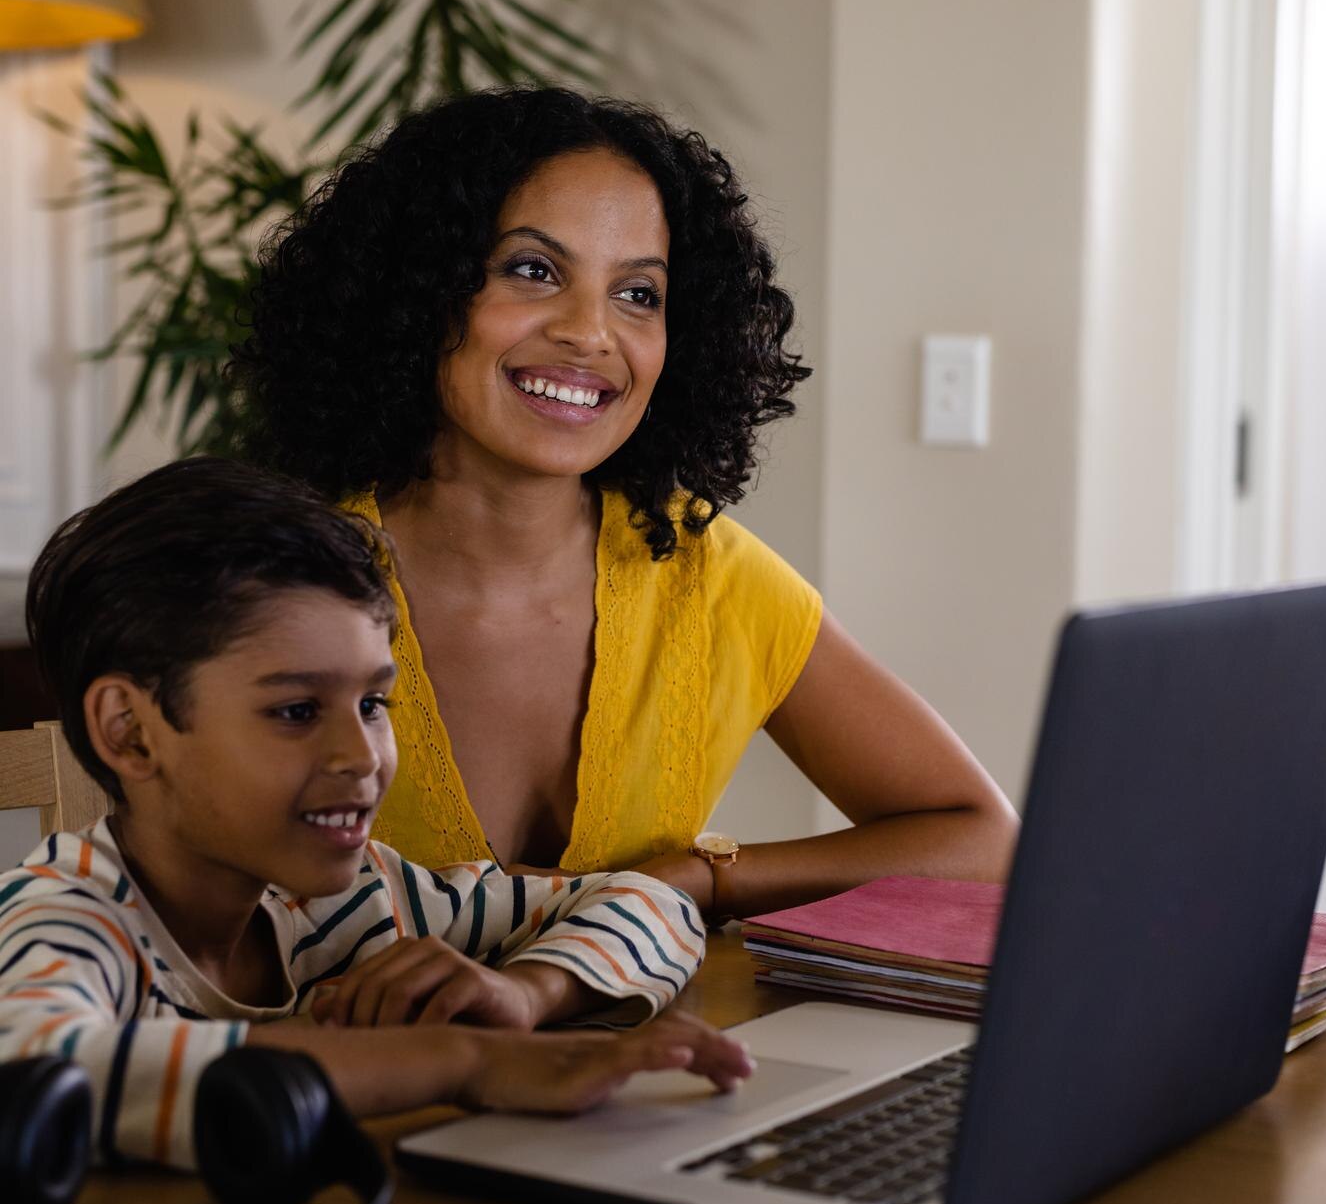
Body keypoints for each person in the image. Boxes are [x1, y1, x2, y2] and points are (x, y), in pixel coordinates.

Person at [232, 88, 1018, 920]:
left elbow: (982, 843)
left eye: (639, 293)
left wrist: (694, 879)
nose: (590, 332)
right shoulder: (264, 585)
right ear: (417, 292)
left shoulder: (708, 578)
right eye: (533, 270)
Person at [0, 459, 750, 1169]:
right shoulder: (61, 919)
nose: (362, 757)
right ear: (131, 732)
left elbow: (653, 903)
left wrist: (529, 993)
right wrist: (463, 1060)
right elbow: (33, 1077)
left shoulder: (358, 899)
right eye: (296, 711)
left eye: (372, 703)